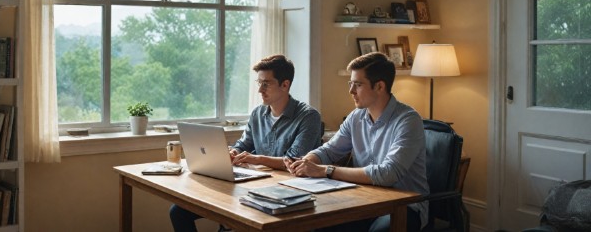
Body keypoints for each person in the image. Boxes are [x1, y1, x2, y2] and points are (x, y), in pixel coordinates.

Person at [170, 54, 323, 232]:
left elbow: (294, 162)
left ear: (285, 84)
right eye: (259, 83)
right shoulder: (258, 113)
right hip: (254, 187)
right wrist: (232, 152)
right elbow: (243, 145)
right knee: (178, 212)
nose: (260, 90)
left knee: (234, 221)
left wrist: (256, 159)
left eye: (266, 83)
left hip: (289, 195)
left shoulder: (309, 117)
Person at [285, 52, 429, 231]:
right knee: (317, 223)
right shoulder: (356, 117)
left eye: (358, 84)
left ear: (379, 86)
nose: (351, 91)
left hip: (405, 206)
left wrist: (326, 170)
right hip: (364, 200)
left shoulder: (408, 120)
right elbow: (329, 150)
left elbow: (387, 174)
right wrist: (306, 162)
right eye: (350, 83)